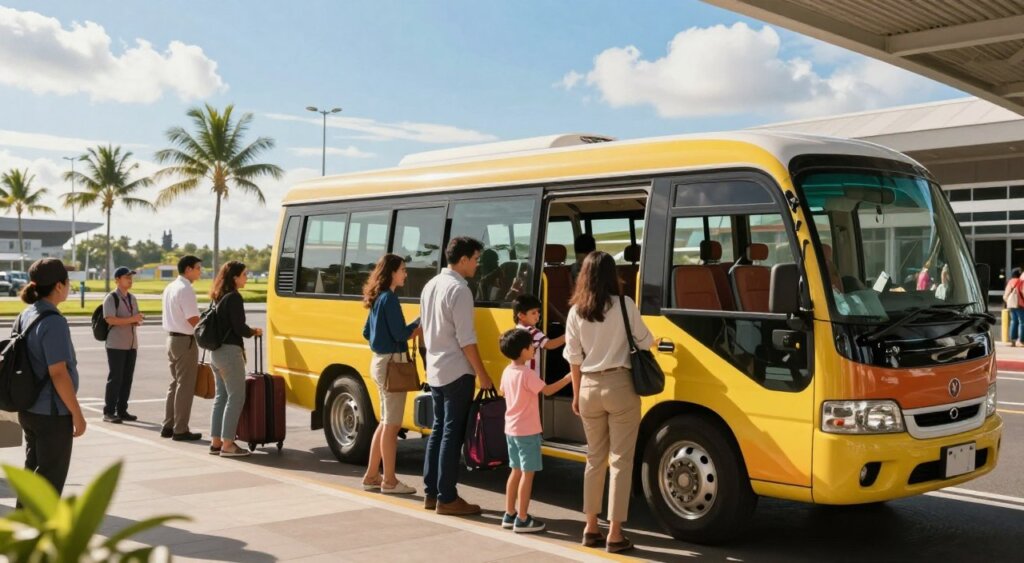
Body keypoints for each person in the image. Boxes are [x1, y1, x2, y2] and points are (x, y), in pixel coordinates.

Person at [564, 251, 654, 554]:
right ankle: (615, 533)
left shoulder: (576, 311)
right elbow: (645, 341)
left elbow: (573, 359)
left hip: (588, 386)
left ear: (584, 276)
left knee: (594, 459)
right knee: (620, 461)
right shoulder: (626, 305)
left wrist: (576, 395)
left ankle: (590, 527)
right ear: (613, 274)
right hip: (620, 386)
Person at [420, 236, 494, 515]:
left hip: (436, 369)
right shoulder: (460, 290)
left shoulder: (431, 285)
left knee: (439, 431)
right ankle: (448, 497)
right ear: (462, 260)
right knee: (452, 434)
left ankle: (431, 492)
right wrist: (482, 374)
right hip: (457, 370)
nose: (477, 264)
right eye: (475, 259)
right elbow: (466, 340)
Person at [17, 259, 85, 497]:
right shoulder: (53, 322)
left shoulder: (26, 314)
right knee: (49, 482)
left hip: (29, 408)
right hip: (52, 414)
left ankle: (24, 526)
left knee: (33, 474)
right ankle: (39, 529)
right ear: (59, 286)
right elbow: (58, 373)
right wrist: (77, 413)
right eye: (67, 282)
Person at [498, 328, 571, 533]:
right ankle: (522, 518)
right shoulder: (527, 374)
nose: (534, 349)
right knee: (527, 475)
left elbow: (503, 391)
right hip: (527, 431)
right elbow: (546, 390)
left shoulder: (507, 371)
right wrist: (568, 378)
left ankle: (509, 513)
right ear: (523, 351)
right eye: (531, 346)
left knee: (515, 471)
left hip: (511, 429)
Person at [361, 254, 422, 494]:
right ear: (392, 273)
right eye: (403, 270)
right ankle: (389, 481)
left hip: (378, 362)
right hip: (392, 365)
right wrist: (418, 325)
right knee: (392, 425)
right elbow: (400, 334)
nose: (405, 274)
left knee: (385, 423)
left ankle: (371, 475)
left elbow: (366, 332)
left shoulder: (378, 299)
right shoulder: (391, 299)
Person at [209, 261, 262, 457]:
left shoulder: (219, 296)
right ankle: (228, 444)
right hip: (230, 353)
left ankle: (216, 442)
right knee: (236, 397)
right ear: (235, 278)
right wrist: (254, 331)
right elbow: (239, 328)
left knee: (221, 397)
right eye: (244, 274)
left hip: (216, 353)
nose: (246, 277)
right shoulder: (234, 298)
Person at [161, 255, 204, 441]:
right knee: (185, 385)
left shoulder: (170, 287)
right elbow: (193, 319)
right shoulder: (185, 289)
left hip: (171, 339)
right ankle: (180, 429)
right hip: (185, 340)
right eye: (198, 268)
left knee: (175, 384)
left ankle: (168, 425)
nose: (200, 271)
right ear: (188, 269)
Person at [101, 267, 143, 424]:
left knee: (127, 378)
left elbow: (133, 317)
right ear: (117, 280)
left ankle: (122, 410)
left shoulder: (132, 298)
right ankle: (109, 411)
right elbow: (110, 319)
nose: (130, 280)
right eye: (126, 277)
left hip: (131, 344)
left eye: (131, 277)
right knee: (115, 378)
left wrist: (137, 320)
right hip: (116, 344)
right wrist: (132, 319)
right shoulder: (111, 298)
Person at [512, 294, 565, 372]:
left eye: (538, 311)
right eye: (533, 313)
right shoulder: (532, 332)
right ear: (521, 316)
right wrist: (566, 337)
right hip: (532, 374)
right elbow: (549, 344)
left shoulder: (517, 329)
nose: (538, 314)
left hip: (521, 372)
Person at [1005, 268, 1024, 346]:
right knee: (1022, 322)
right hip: (1020, 304)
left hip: (1011, 304)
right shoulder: (1021, 282)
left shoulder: (1010, 281)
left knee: (1013, 321)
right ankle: (1021, 340)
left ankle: (1013, 340)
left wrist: (1008, 302)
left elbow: (1006, 295)